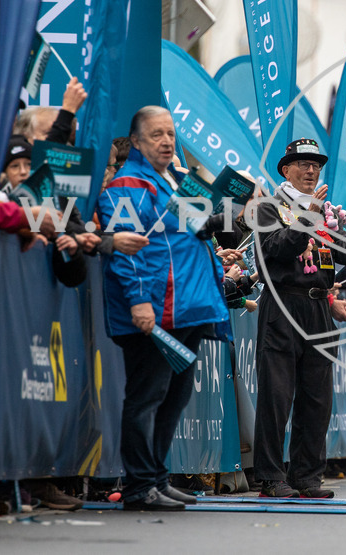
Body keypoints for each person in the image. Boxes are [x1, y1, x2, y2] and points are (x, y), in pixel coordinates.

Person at [97, 106, 230, 511]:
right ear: (136, 142)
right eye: (157, 134)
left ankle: (156, 477)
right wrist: (139, 302)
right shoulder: (128, 184)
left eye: (170, 133)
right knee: (146, 398)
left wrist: (220, 218)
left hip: (188, 309)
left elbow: (193, 231)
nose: (167, 141)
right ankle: (139, 486)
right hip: (157, 311)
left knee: (173, 398)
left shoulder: (172, 181)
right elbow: (126, 249)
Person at [251, 138, 346, 499]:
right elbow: (276, 248)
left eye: (316, 165)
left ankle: (307, 476)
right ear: (286, 170)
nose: (311, 170)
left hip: (318, 307)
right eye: (303, 164)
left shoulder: (325, 211)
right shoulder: (269, 207)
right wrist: (309, 217)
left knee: (317, 399)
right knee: (276, 397)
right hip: (283, 304)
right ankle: (271, 477)